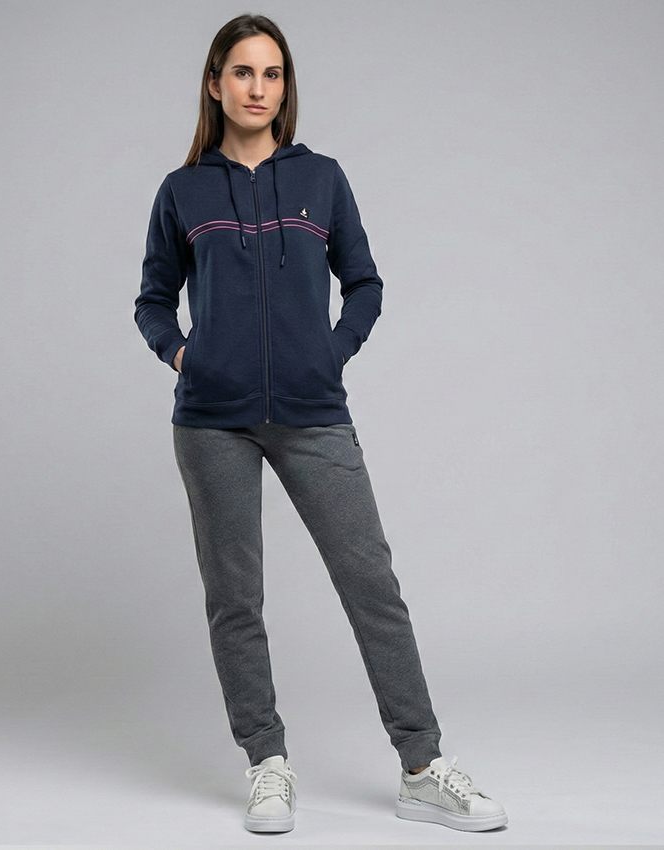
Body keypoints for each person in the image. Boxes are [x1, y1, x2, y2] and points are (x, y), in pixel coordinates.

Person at [133, 13, 508, 835]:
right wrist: (183, 356)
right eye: (242, 72)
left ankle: (422, 767)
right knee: (236, 599)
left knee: (371, 584)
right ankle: (266, 764)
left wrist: (329, 355)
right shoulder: (183, 190)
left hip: (312, 413)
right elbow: (153, 300)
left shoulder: (322, 179)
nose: (258, 88)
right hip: (212, 422)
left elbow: (365, 282)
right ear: (214, 84)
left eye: (272, 74)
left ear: (285, 87)